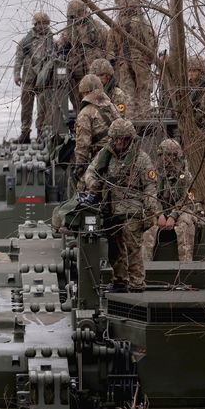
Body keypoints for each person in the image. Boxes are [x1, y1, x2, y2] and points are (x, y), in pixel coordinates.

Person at [82, 119, 162, 292]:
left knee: (133, 248)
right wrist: (93, 183)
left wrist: (151, 209)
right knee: (114, 248)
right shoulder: (105, 155)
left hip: (132, 209)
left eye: (123, 139)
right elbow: (90, 172)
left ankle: (137, 283)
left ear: (130, 139)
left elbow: (150, 186)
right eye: (116, 139)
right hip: (110, 207)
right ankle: (120, 281)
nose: (119, 143)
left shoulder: (141, 159)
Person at [142, 139, 197, 263]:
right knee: (147, 225)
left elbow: (186, 198)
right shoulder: (154, 173)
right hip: (159, 210)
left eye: (170, 155)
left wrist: (173, 216)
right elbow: (150, 195)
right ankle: (144, 269)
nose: (166, 159)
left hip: (181, 210)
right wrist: (159, 214)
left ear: (176, 156)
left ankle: (186, 267)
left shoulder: (185, 175)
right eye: (163, 155)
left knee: (185, 224)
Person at [106, 0, 157, 119]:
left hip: (124, 63)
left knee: (127, 96)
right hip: (140, 63)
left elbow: (110, 49)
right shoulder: (142, 22)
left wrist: (114, 62)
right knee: (143, 94)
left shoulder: (116, 23)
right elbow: (152, 44)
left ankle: (129, 123)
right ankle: (144, 124)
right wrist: (149, 60)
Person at [13, 11, 58, 143]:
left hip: (44, 80)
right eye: (40, 23)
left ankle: (41, 133)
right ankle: (25, 132)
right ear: (35, 24)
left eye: (45, 23)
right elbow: (18, 58)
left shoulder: (52, 40)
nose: (43, 26)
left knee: (43, 107)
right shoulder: (27, 40)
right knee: (26, 107)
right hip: (28, 78)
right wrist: (16, 74)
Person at [57, 0, 108, 112]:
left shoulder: (96, 26)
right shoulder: (69, 30)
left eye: (82, 12)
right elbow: (59, 48)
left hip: (94, 71)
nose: (82, 15)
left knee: (97, 100)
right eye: (79, 13)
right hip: (76, 71)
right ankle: (81, 121)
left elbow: (108, 44)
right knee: (78, 102)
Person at [72, 74, 120, 190]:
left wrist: (79, 167)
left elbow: (83, 145)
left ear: (85, 93)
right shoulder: (112, 106)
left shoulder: (85, 113)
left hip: (100, 160)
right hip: (119, 155)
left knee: (82, 189)